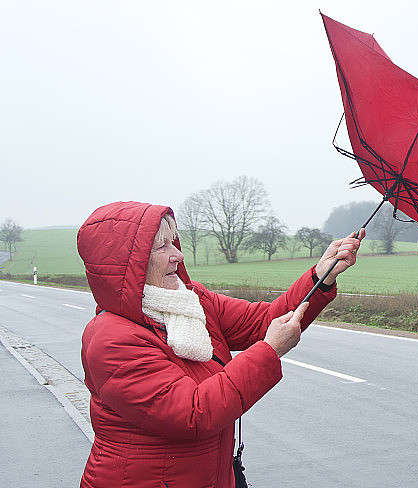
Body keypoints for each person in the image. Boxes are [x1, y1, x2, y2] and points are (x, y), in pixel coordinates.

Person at [76, 201, 363, 488]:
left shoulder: (191, 300)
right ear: (128, 262)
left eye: (174, 242)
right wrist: (269, 351)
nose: (178, 254)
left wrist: (321, 276)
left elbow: (262, 320)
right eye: (162, 247)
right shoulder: (111, 340)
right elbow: (192, 414)